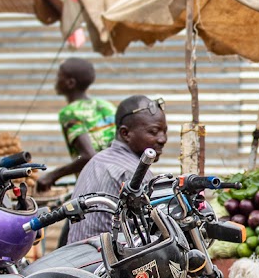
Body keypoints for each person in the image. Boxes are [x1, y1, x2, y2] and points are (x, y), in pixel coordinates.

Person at [67, 95, 167, 244]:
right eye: (153, 131)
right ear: (125, 133)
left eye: (164, 131)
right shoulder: (133, 174)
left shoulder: (97, 160)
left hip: (76, 259)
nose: (162, 139)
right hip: (103, 262)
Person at [36, 58, 117, 192]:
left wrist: (51, 176)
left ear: (70, 83)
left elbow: (87, 156)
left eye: (58, 76)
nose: (55, 81)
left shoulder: (70, 113)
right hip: (121, 178)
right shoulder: (106, 105)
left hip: (98, 186)